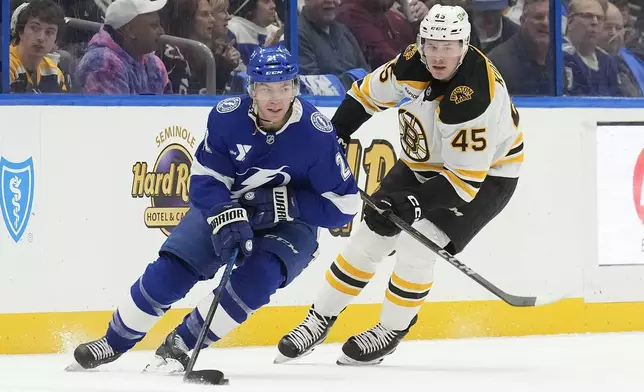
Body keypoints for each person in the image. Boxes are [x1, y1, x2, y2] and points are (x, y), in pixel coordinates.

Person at [68, 46, 360, 372]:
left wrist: (286, 203)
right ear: (252, 88)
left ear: (295, 87)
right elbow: (205, 178)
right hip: (230, 205)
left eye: (283, 88)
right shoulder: (227, 117)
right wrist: (226, 215)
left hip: (292, 222)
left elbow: (346, 205)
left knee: (259, 277)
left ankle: (180, 347)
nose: (275, 98)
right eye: (265, 89)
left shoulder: (316, 135)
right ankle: (113, 340)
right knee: (172, 271)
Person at [276, 4, 523, 366]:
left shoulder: (474, 95)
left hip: (485, 177)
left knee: (417, 248)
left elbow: (463, 181)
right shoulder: (410, 64)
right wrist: (337, 135)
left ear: (465, 46)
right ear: (421, 43)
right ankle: (319, 318)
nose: (439, 56)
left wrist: (414, 203)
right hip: (420, 162)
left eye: (449, 46)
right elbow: (363, 97)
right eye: (432, 45)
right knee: (369, 236)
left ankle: (391, 329)